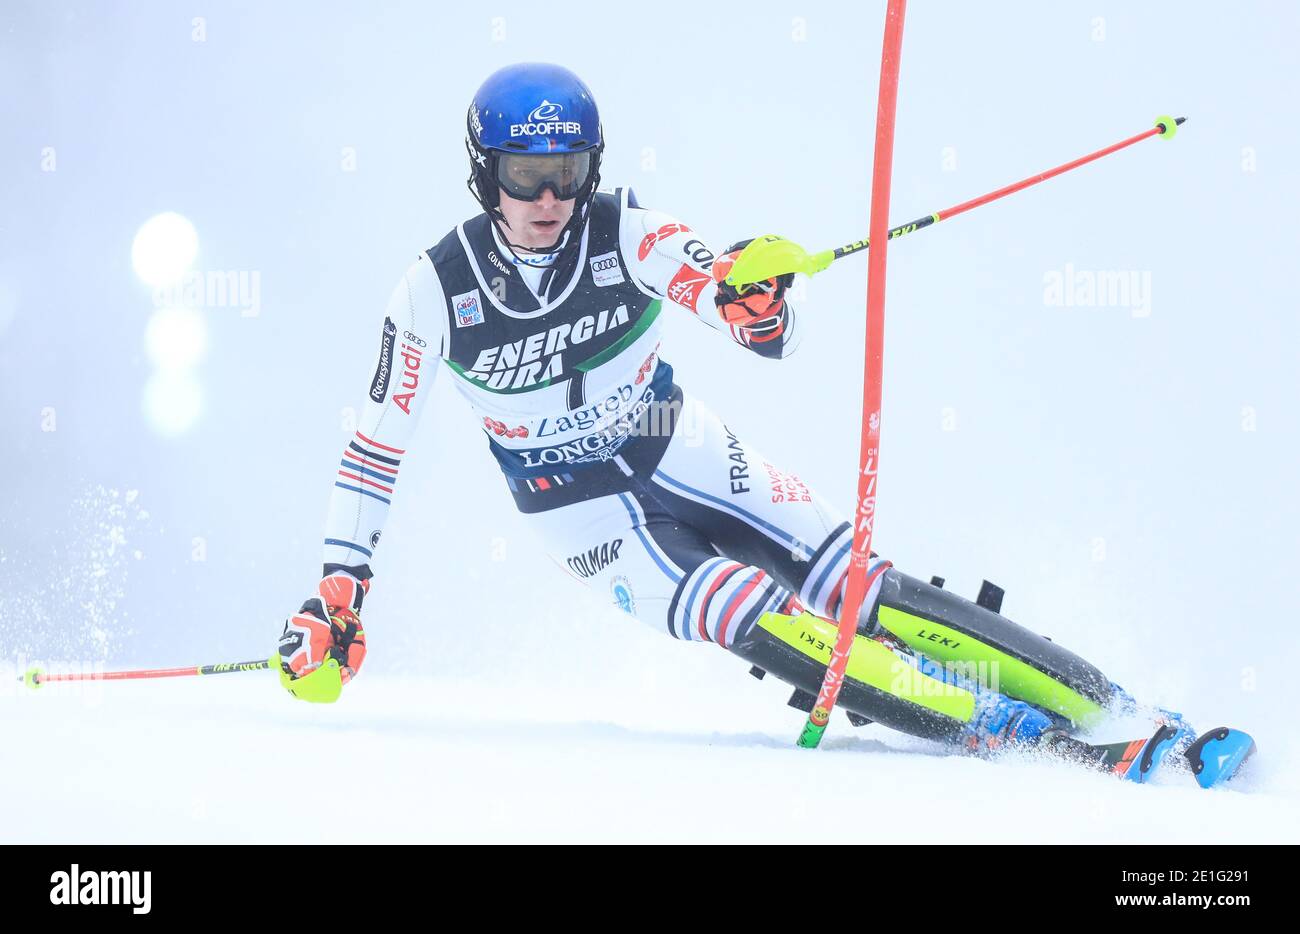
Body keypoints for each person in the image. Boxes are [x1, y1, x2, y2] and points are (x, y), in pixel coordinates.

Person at [276, 62, 1165, 754]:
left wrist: (754, 303)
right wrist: (338, 589)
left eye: (568, 171)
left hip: (672, 440)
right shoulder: (432, 290)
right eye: (524, 174)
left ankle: (1113, 708)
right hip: (574, 508)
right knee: (743, 607)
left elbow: (723, 294)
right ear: (485, 173)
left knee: (858, 587)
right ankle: (998, 731)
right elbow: (371, 452)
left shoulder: (624, 230)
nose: (549, 199)